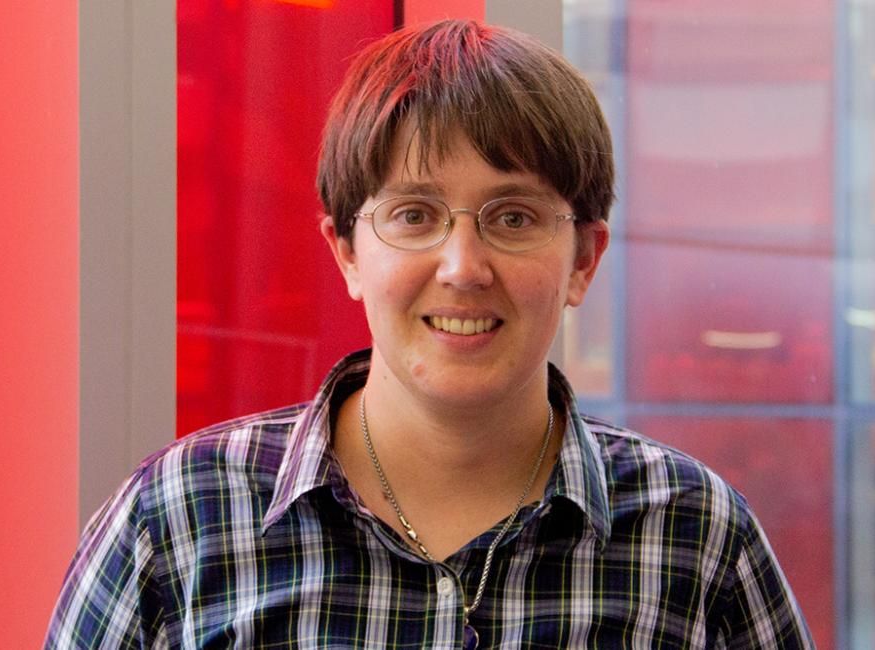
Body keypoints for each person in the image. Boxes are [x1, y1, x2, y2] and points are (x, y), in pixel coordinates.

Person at [45, 20, 814, 649]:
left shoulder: (695, 536)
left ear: (583, 259)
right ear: (348, 251)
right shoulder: (177, 523)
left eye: (513, 218)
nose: (463, 266)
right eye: (414, 216)